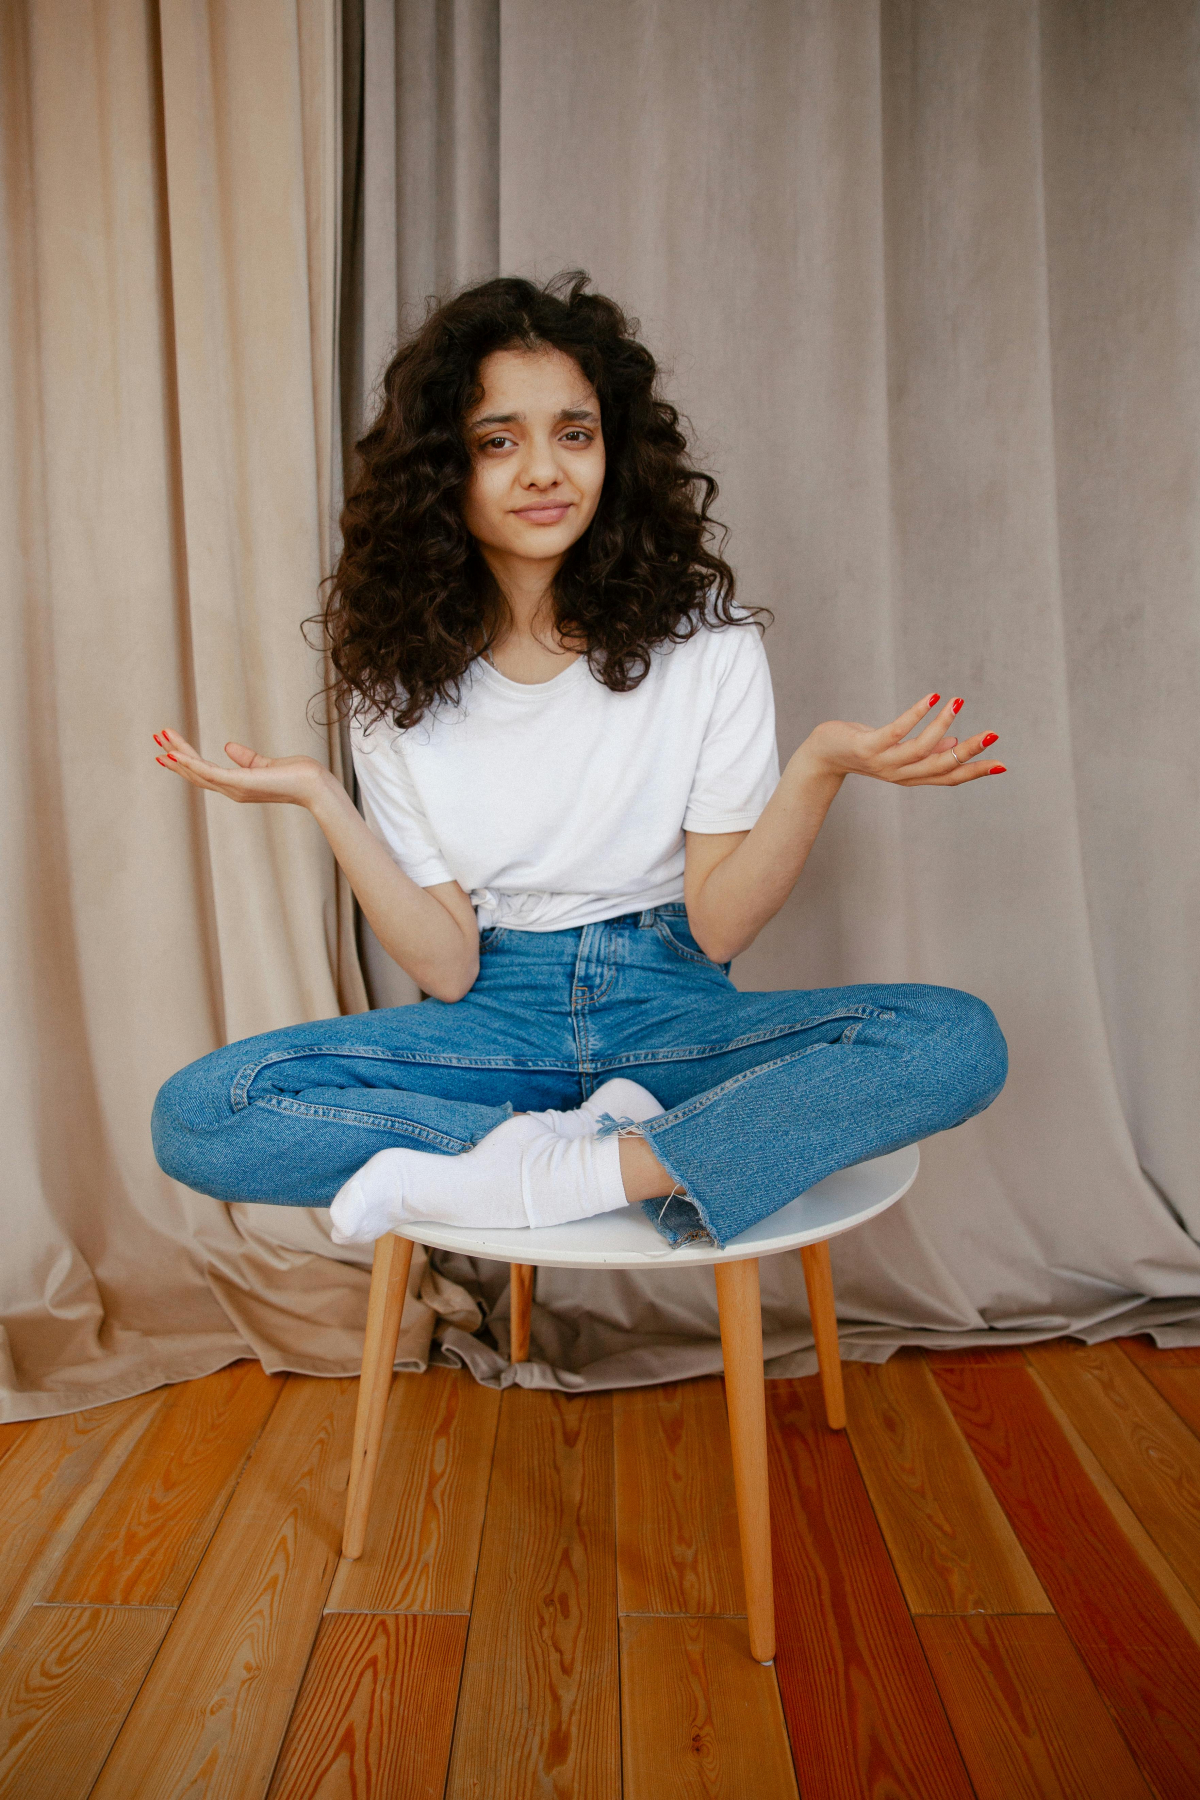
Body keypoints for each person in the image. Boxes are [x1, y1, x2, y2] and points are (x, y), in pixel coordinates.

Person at [150, 272, 1008, 1251]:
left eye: (575, 433)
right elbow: (444, 961)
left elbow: (720, 928)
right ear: (443, 470)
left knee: (954, 1040)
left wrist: (817, 767)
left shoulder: (706, 648)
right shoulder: (396, 684)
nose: (545, 471)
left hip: (673, 1003)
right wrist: (319, 797)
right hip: (492, 1022)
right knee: (204, 1111)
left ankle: (576, 1170)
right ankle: (584, 1152)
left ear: (615, 450)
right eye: (497, 441)